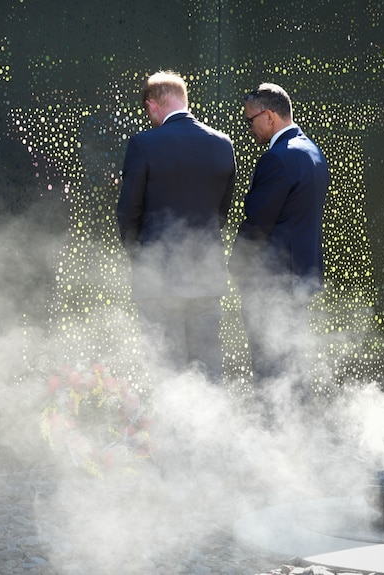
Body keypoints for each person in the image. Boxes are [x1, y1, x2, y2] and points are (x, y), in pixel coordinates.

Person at [117, 71, 236, 382]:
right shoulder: (223, 145)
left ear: (153, 105)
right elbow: (222, 213)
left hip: (159, 278)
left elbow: (129, 213)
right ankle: (212, 429)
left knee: (166, 369)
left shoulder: (143, 144)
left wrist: (144, 258)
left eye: (148, 112)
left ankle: (170, 432)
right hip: (206, 276)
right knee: (208, 368)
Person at [229, 83, 330, 384]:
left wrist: (235, 267)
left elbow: (257, 224)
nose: (249, 127)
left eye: (251, 119)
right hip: (301, 277)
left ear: (269, 116)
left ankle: (272, 427)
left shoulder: (277, 159)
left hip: (271, 283)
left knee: (269, 366)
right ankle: (297, 427)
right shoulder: (313, 151)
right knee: (293, 363)